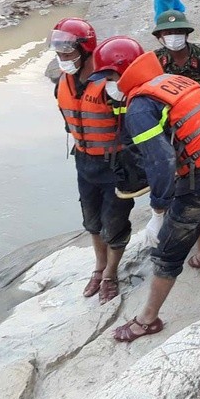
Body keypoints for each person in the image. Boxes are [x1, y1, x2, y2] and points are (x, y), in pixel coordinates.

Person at [102, 42, 200, 342]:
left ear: (121, 74)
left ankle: (147, 320)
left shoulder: (139, 108)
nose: (107, 86)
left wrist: (158, 212)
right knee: (193, 207)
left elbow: (161, 161)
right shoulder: (172, 80)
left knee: (167, 249)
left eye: (109, 78)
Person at [49, 19, 141, 305]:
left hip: (115, 164)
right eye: (58, 51)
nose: (61, 57)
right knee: (91, 221)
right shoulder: (63, 83)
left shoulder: (111, 86)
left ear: (85, 49)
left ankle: (111, 274)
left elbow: (135, 126)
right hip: (85, 162)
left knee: (114, 223)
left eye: (67, 51)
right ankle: (99, 268)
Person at [152, 9, 200, 273]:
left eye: (178, 31)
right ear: (160, 36)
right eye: (168, 32)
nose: (173, 37)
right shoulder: (155, 62)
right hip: (169, 137)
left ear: (186, 33)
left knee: (197, 191)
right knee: (175, 191)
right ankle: (170, 240)